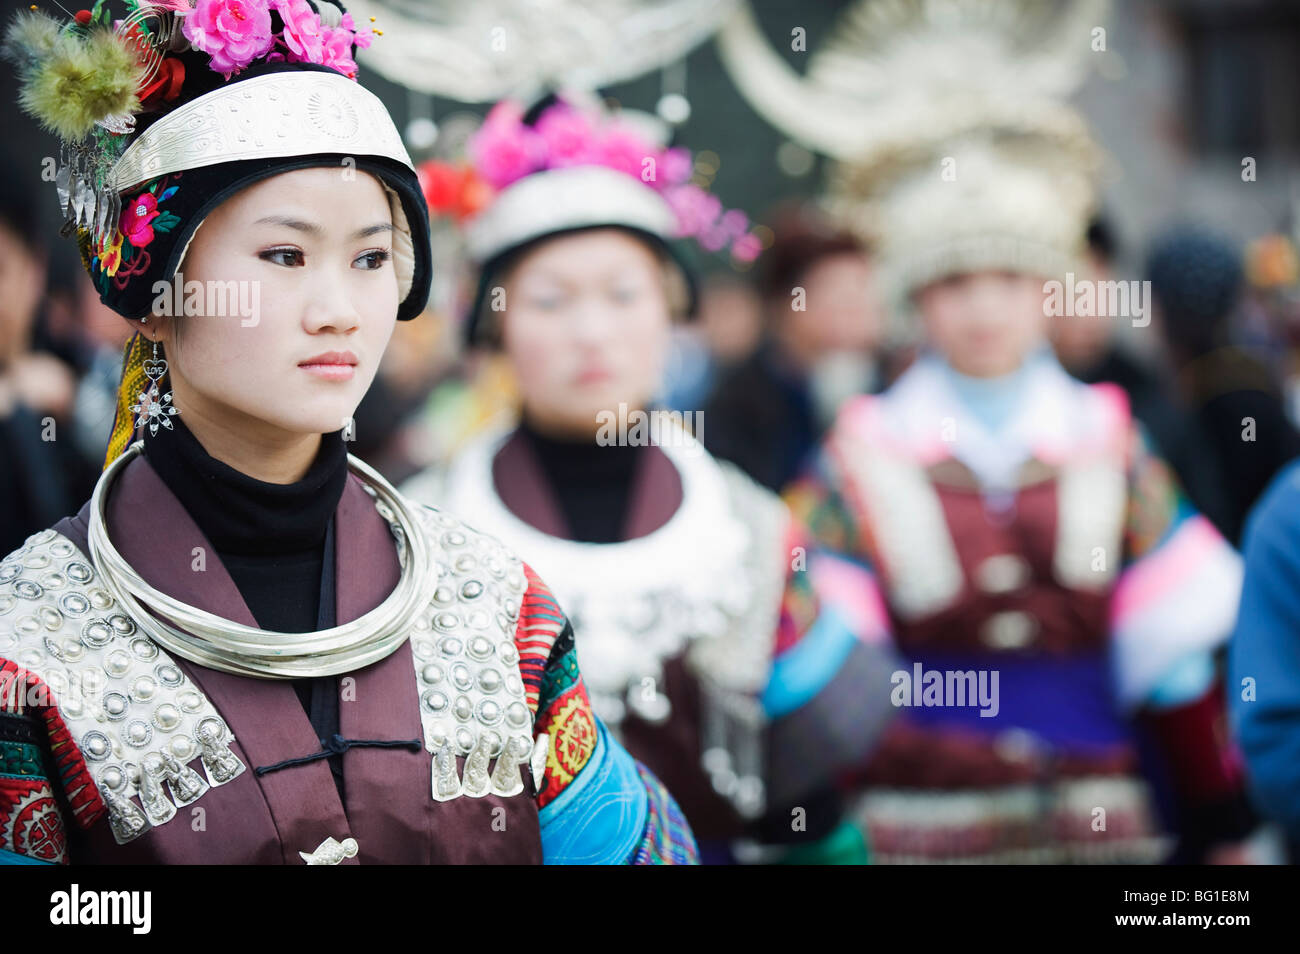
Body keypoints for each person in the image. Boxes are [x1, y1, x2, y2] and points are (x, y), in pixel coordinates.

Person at [0, 0, 693, 865]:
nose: (338, 313)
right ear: (155, 291)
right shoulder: (26, 645)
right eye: (285, 257)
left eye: (370, 259)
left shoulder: (497, 602)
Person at [759, 2, 1256, 863]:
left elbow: (1174, 664)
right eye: (954, 282)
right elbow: (826, 677)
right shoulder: (857, 453)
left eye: (1008, 279)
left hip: (1103, 819)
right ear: (917, 299)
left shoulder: (1109, 437)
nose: (983, 307)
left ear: (1046, 289)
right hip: (913, 821)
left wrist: (1222, 831)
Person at [403, 94, 897, 864]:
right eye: (550, 299)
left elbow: (810, 815)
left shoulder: (750, 530)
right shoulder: (420, 534)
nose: (591, 332)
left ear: (674, 312)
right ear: (493, 327)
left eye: (624, 294)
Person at [704, 203, 884, 492]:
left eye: (864, 292)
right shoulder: (736, 411)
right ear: (784, 303)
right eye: (837, 295)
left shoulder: (890, 392)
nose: (857, 311)